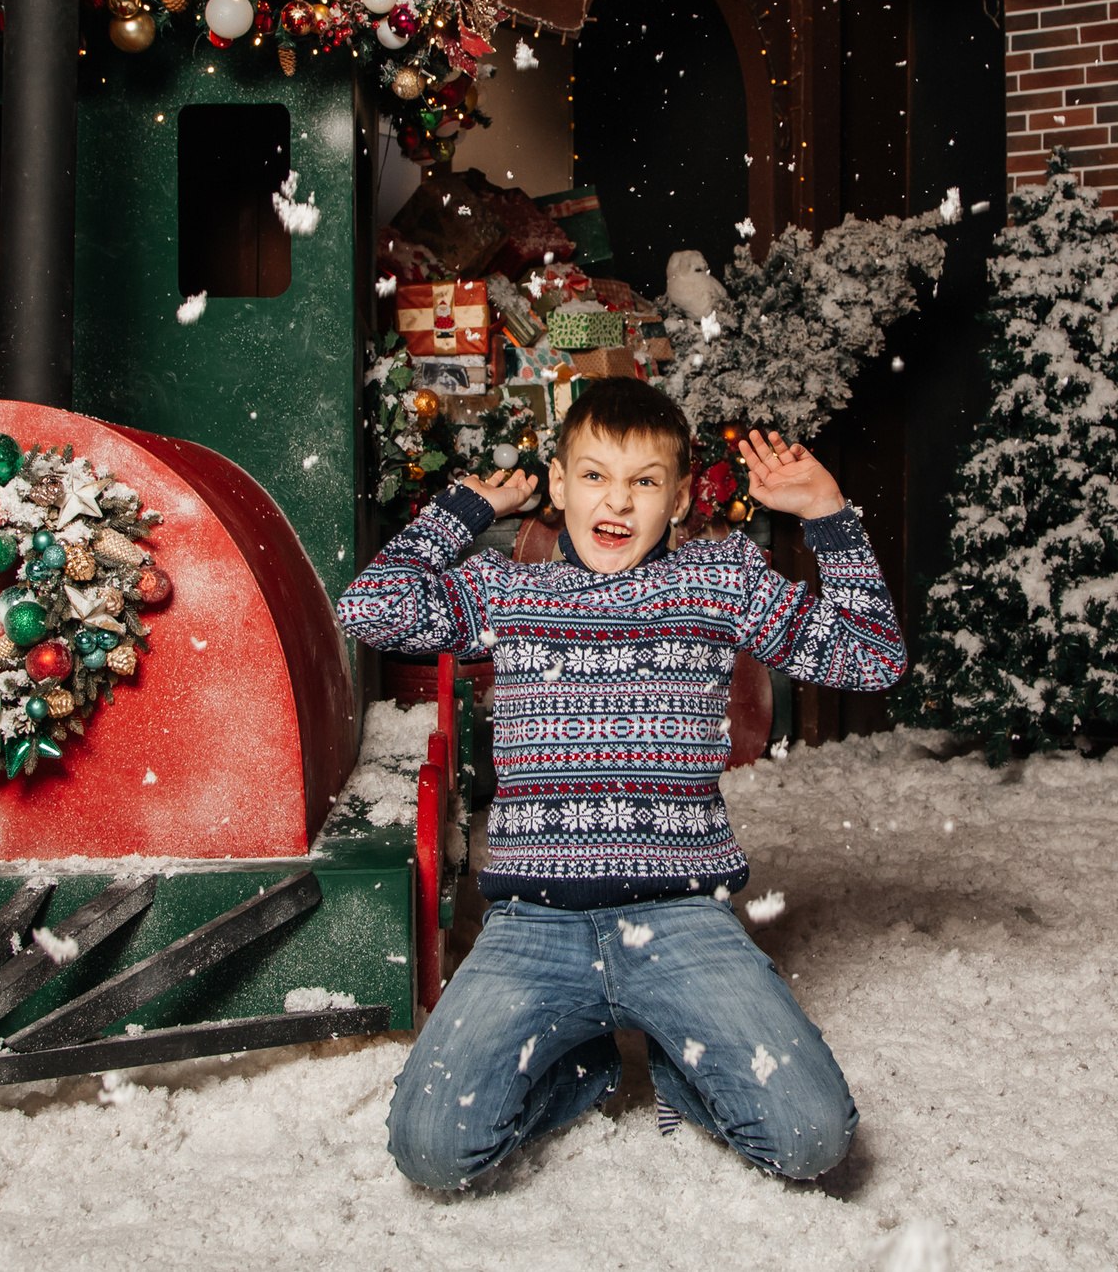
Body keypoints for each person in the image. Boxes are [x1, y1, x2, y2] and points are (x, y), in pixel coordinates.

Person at [335, 375, 906, 1188]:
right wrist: (464, 509)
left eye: (645, 482)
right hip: (533, 927)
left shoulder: (718, 581)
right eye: (595, 475)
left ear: (677, 501)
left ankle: (681, 1065)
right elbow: (370, 610)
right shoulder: (510, 590)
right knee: (432, 1150)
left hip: (680, 920)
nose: (618, 500)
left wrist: (828, 516)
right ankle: (587, 1067)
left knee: (811, 1138)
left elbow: (871, 657)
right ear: (561, 485)